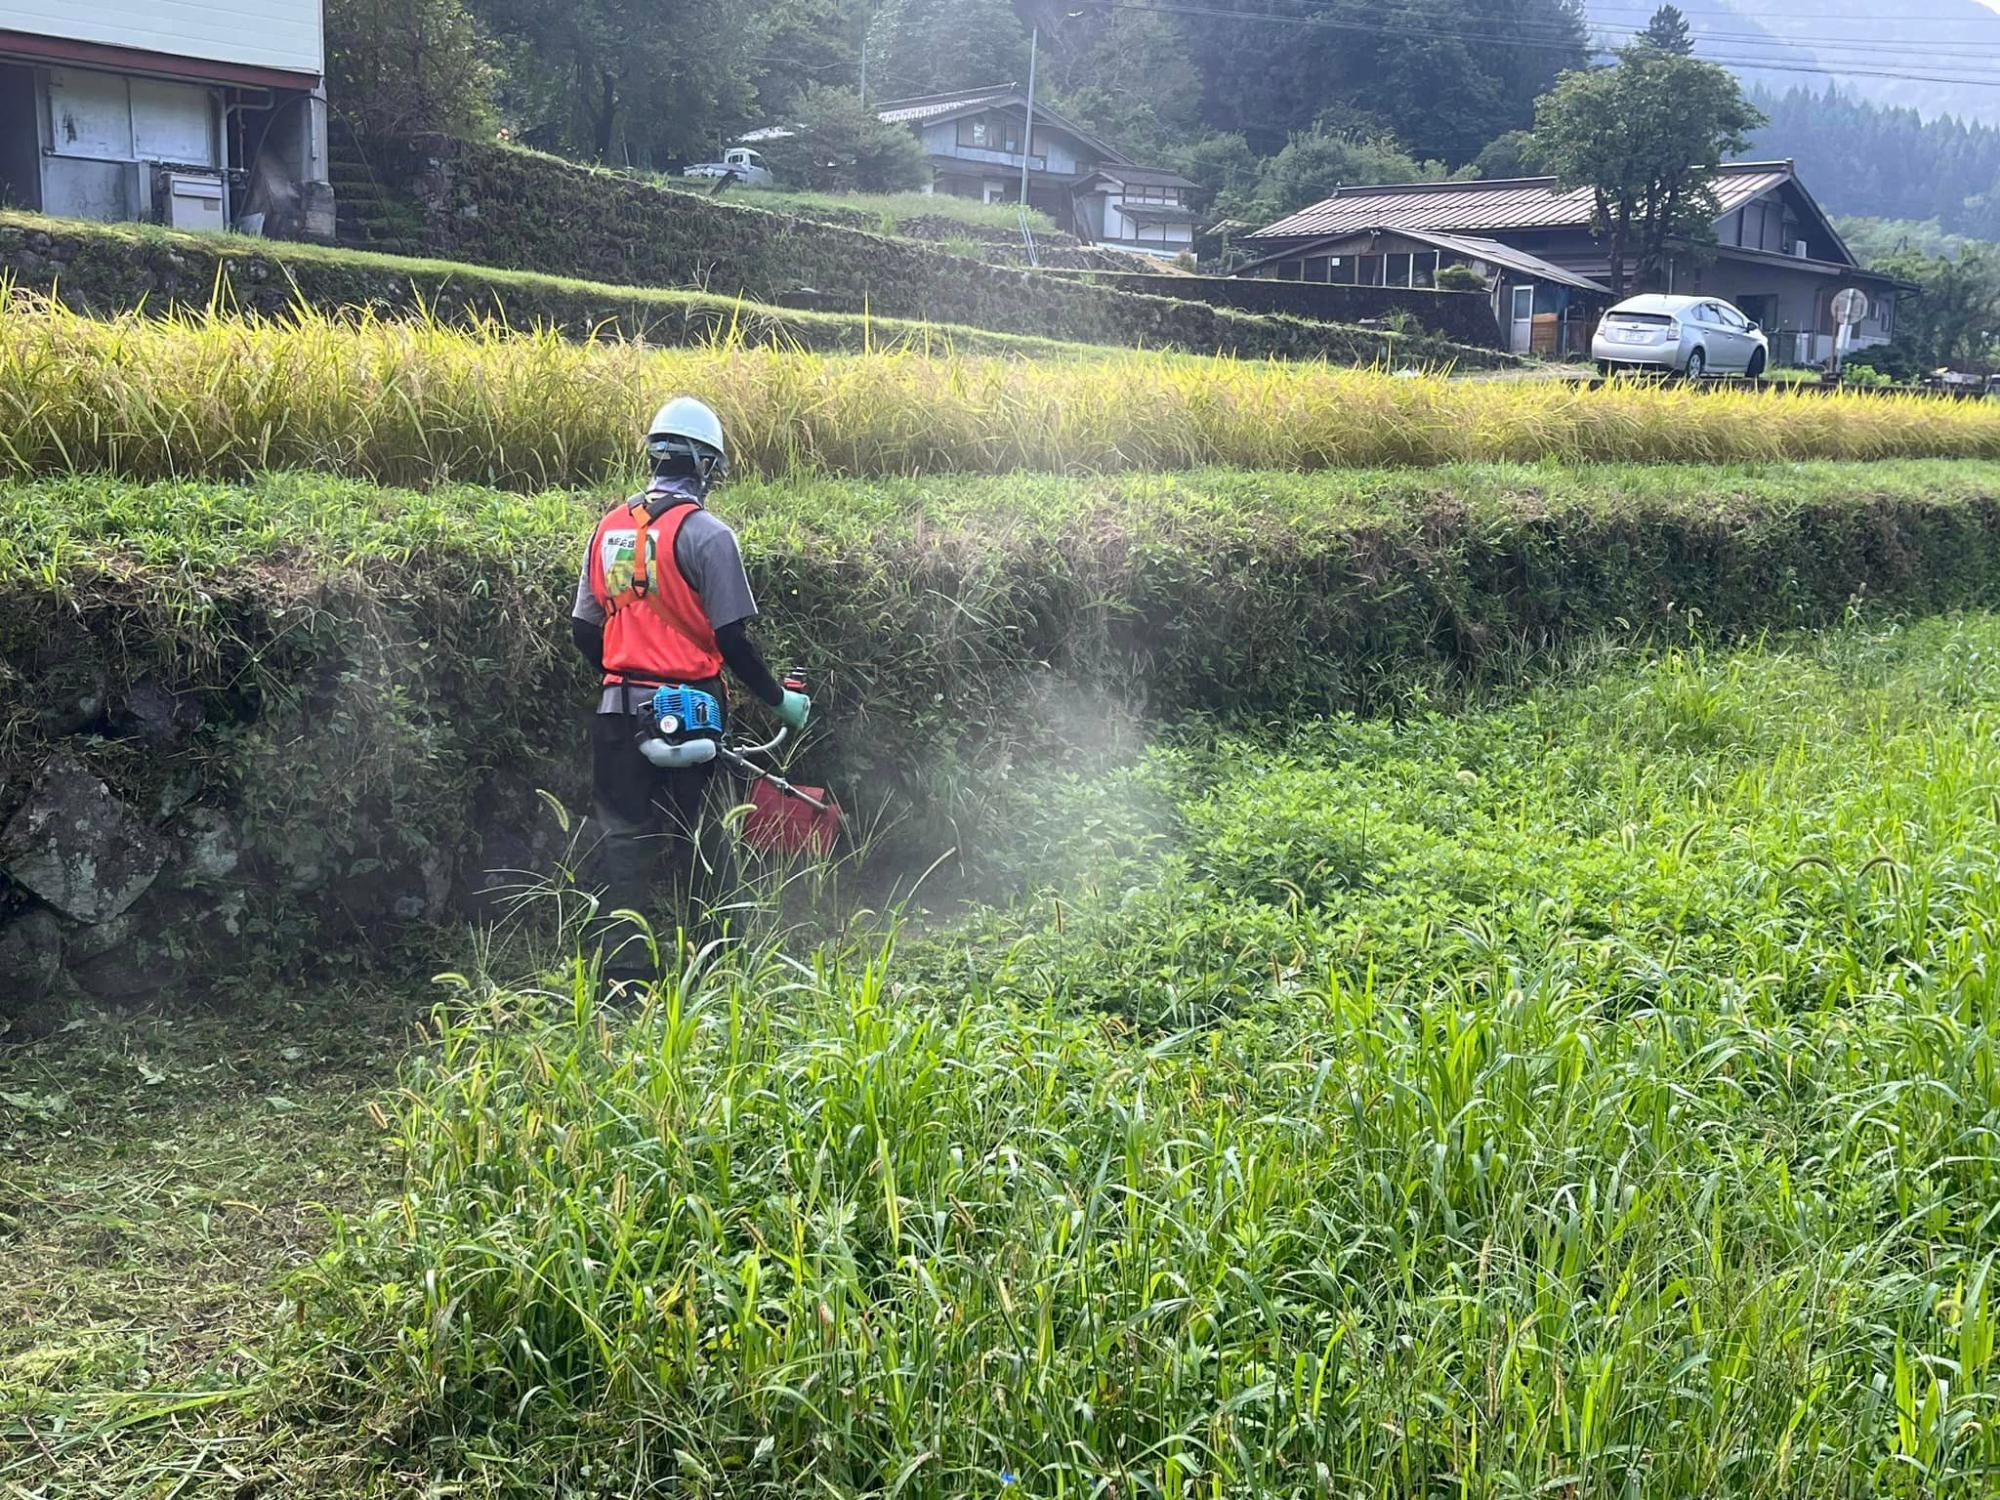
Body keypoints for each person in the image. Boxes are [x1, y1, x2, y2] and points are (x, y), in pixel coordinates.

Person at [570, 397, 809, 982]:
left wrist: (628, 674)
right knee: (706, 843)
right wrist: (782, 702)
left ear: (655, 454)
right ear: (705, 465)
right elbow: (732, 641)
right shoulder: (708, 535)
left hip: (618, 713)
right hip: (692, 715)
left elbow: (583, 628)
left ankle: (625, 979)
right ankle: (722, 967)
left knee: (624, 846)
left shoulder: (611, 530)